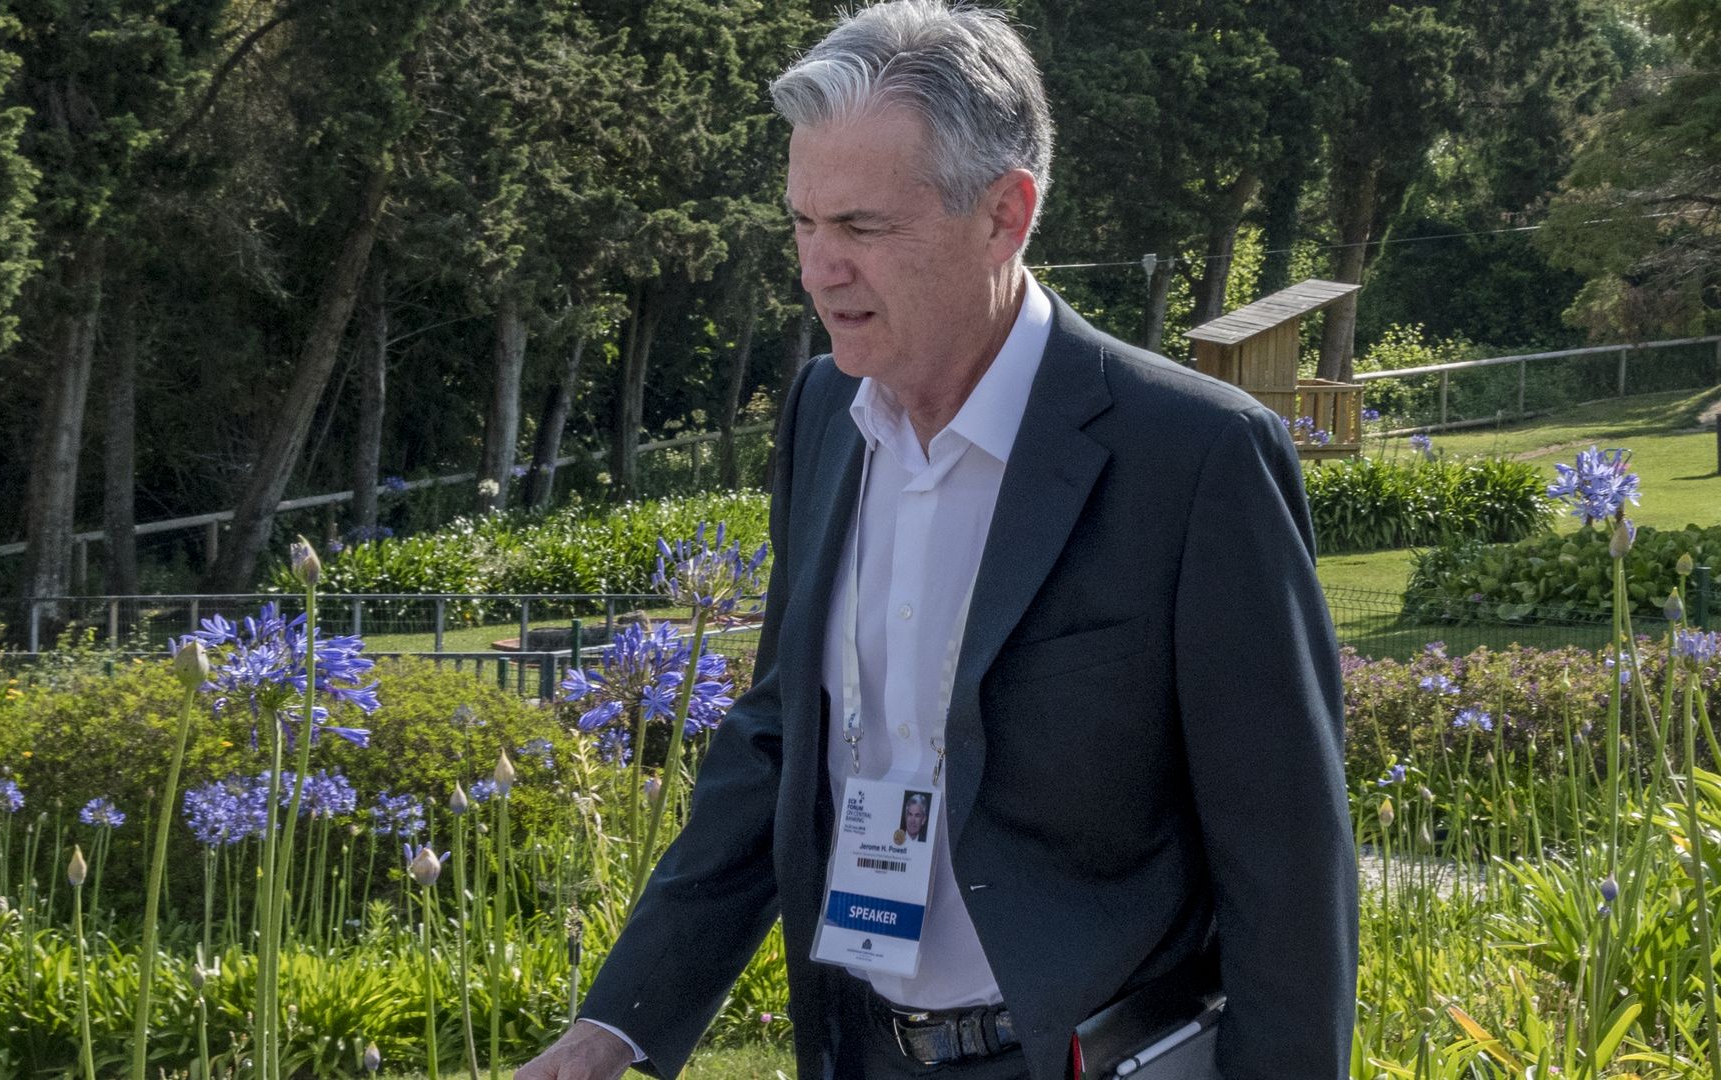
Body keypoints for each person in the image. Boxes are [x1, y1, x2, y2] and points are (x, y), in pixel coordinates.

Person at [516, 3, 1355, 1079]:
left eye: (862, 229)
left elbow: (1286, 860)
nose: (819, 270)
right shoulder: (826, 412)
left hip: (1082, 1058)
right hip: (859, 1048)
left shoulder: (1192, 458)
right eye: (803, 225)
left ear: (1006, 214)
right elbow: (781, 735)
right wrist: (616, 1026)